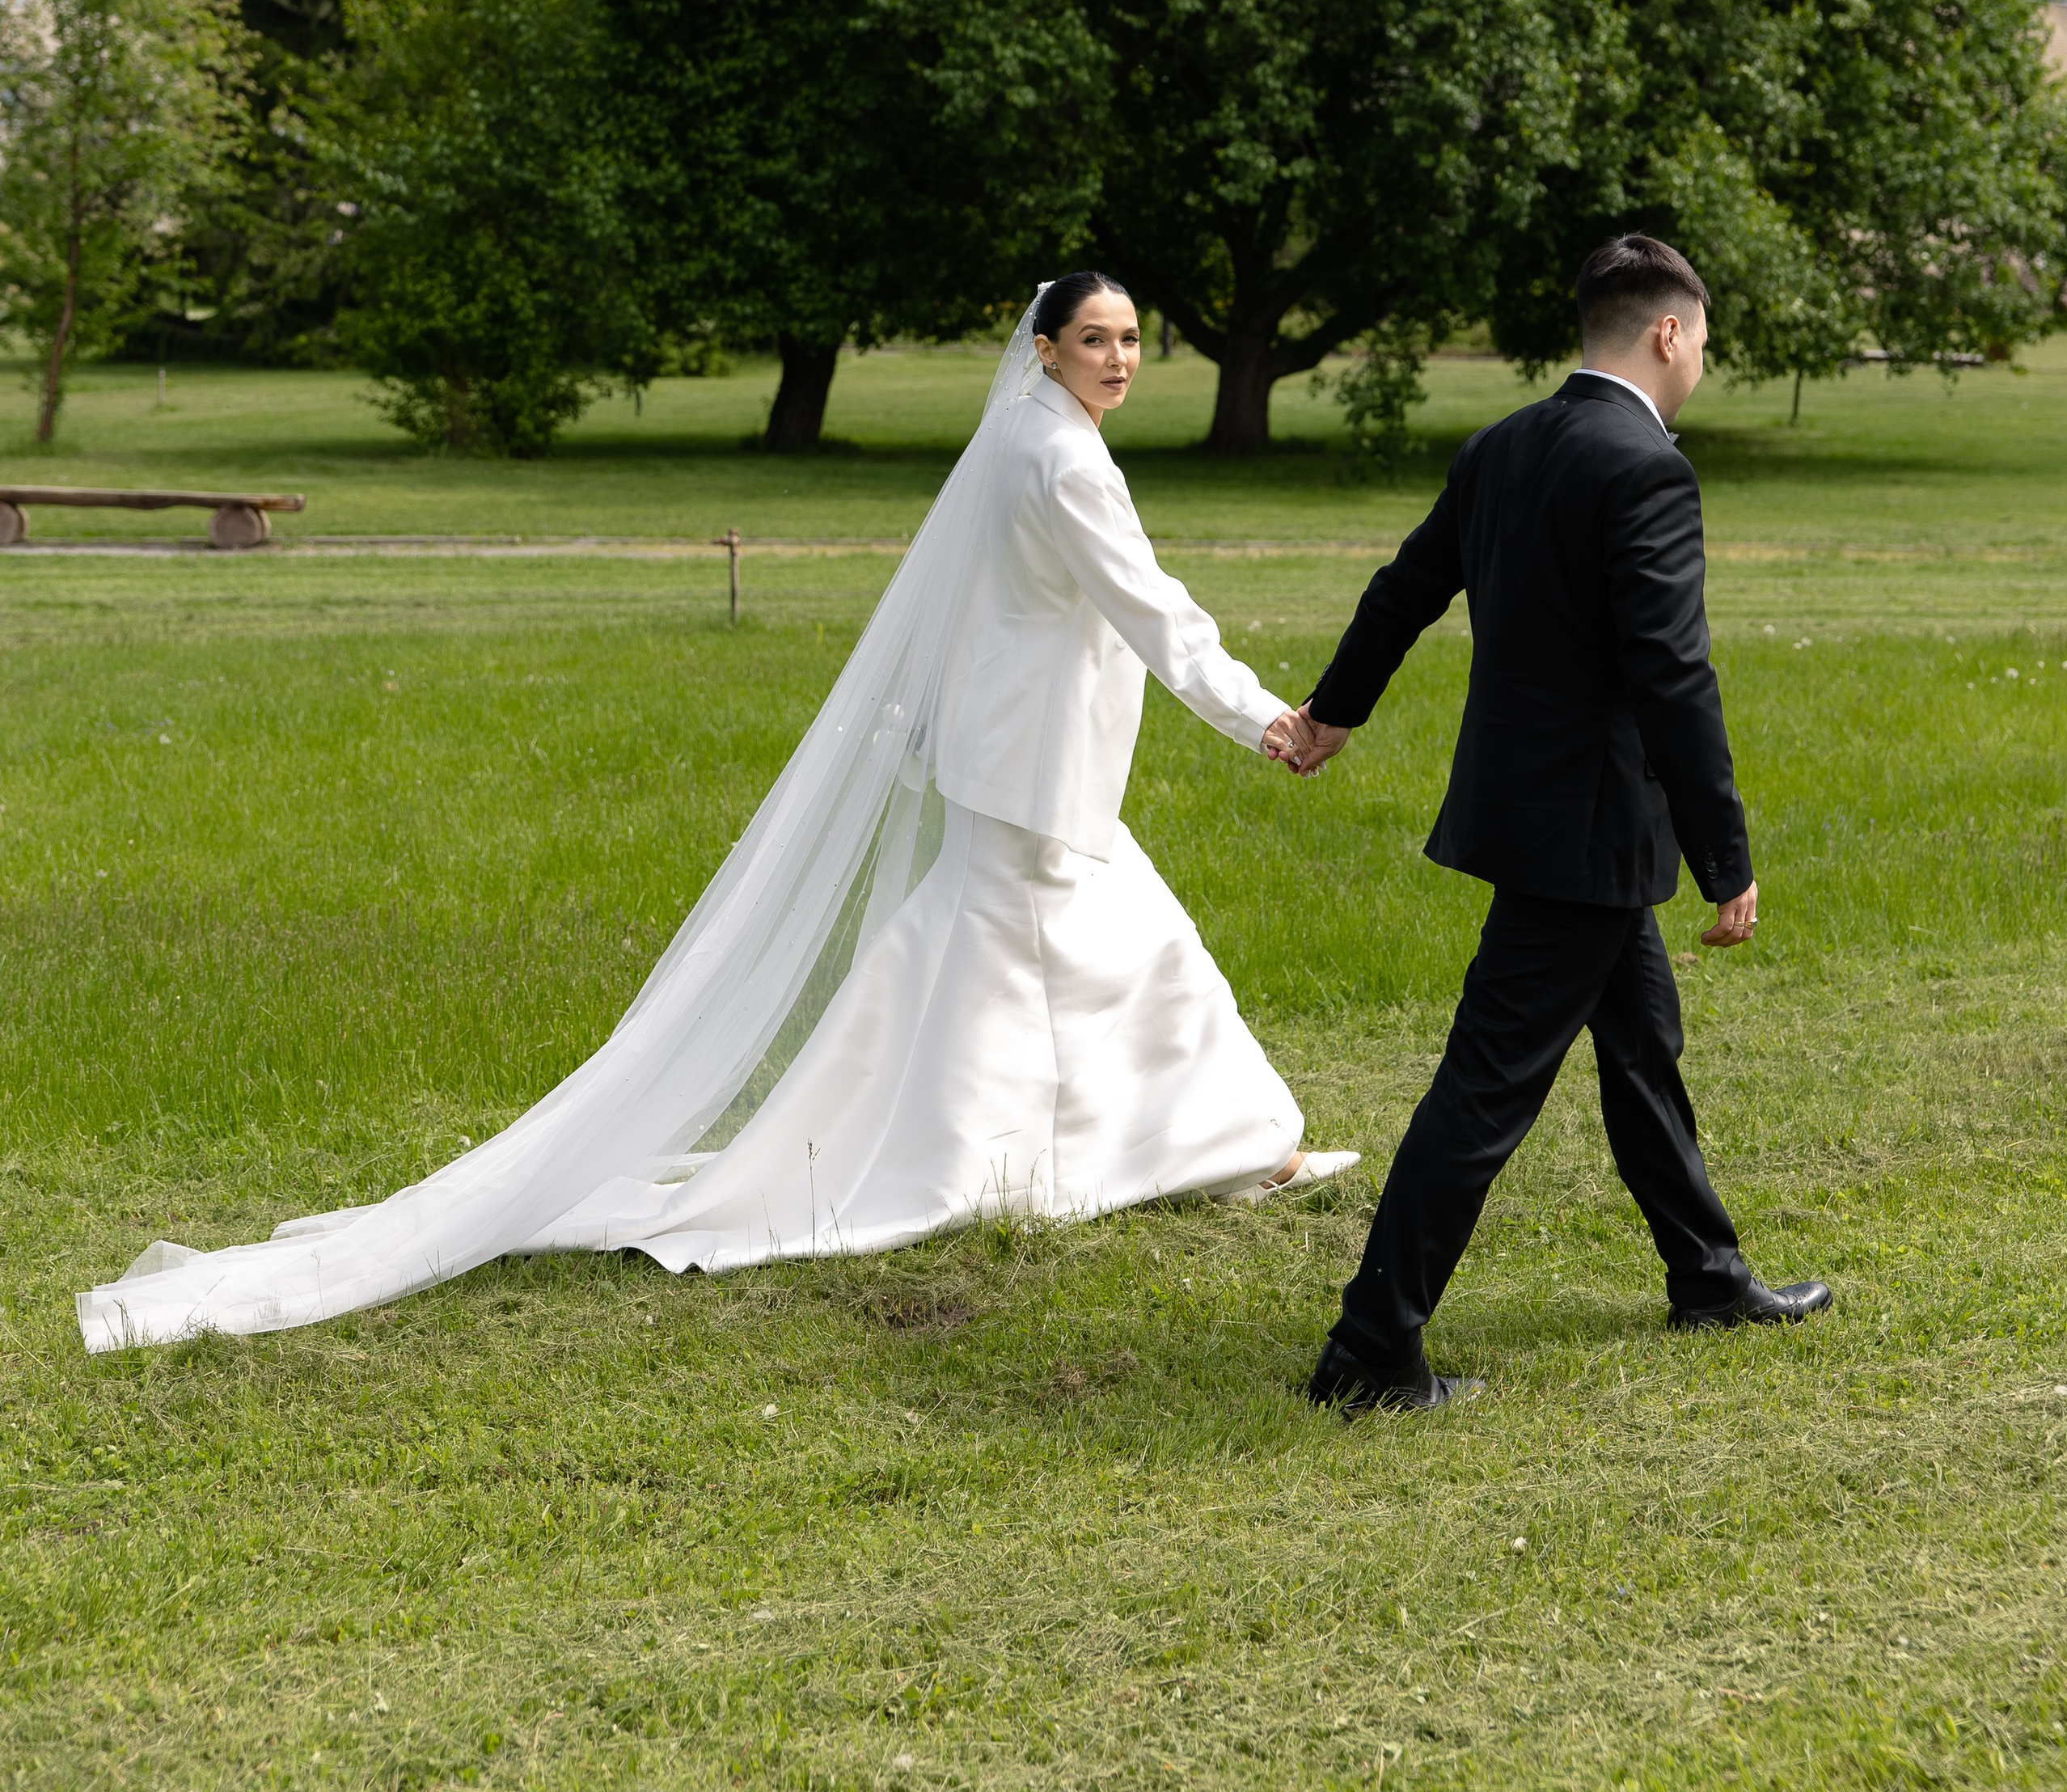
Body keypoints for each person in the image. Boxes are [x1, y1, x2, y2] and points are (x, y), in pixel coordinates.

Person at [79, 274, 1353, 1354]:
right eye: (1097, 340)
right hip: (1032, 775)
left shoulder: (1022, 442)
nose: (1120, 359)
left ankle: (1074, 1149)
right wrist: (1266, 717)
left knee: (997, 966)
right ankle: (1216, 1145)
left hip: (1013, 766)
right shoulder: (1062, 461)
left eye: (1133, 341)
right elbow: (1155, 612)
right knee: (1113, 953)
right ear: (1044, 349)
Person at [1283, 235, 1831, 1417]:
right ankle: (1371, 1350)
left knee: (1641, 1047)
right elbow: (1671, 674)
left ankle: (1708, 1274)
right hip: (1585, 834)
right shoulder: (1643, 468)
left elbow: (1404, 588)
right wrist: (1724, 854)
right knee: (1486, 1087)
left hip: (1549, 820)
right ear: (1669, 332)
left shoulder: (1506, 445)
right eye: (1705, 342)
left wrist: (1336, 710)